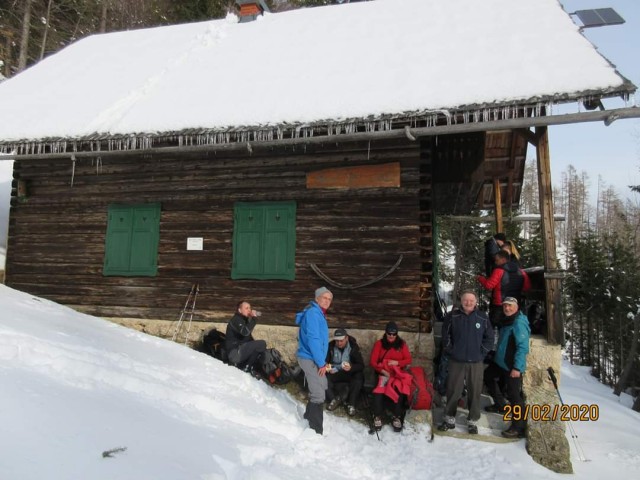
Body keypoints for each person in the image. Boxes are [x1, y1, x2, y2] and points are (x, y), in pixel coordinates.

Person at [438, 291, 493, 434]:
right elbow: (446, 336)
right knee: (453, 390)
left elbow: (490, 339)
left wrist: (481, 353)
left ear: (476, 302)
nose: (468, 303)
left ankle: (472, 421)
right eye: (465, 300)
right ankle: (449, 418)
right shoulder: (452, 316)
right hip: (457, 361)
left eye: (471, 300)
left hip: (476, 362)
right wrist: (451, 350)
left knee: (475, 391)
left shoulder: (482, 317)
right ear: (461, 301)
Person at [483, 296, 530, 438]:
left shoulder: (518, 323)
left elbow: (523, 347)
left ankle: (518, 427)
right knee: (488, 376)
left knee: (514, 396)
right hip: (501, 361)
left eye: (510, 306)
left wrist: (517, 368)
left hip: (512, 365)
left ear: (516, 307)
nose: (507, 308)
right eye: (505, 306)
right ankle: (500, 404)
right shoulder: (507, 320)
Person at [296, 286, 332, 435]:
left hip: (315, 358)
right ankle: (316, 430)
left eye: (329, 299)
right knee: (318, 393)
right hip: (309, 358)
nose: (327, 301)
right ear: (317, 298)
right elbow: (314, 340)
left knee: (323, 384)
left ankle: (308, 416)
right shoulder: (313, 314)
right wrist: (321, 362)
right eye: (324, 298)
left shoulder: (319, 314)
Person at [370, 321, 413, 432]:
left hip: (396, 374)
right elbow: (373, 362)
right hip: (383, 373)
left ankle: (396, 416)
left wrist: (397, 363)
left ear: (397, 334)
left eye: (394, 334)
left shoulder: (401, 344)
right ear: (386, 333)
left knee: (399, 390)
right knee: (379, 390)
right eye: (389, 333)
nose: (391, 336)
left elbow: (408, 359)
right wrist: (383, 371)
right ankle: (377, 415)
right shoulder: (379, 344)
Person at [477, 250, 531, 328]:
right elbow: (527, 287)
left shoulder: (499, 271)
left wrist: (480, 278)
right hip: (515, 304)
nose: (495, 262)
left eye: (497, 260)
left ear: (503, 260)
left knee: (496, 327)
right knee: (512, 326)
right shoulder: (521, 272)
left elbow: (489, 285)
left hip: (500, 305)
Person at [325, 328, 365, 416]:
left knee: (359, 376)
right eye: (337, 341)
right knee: (323, 377)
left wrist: (351, 367)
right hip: (335, 372)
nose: (339, 343)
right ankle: (334, 399)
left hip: (348, 372)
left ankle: (351, 404)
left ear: (346, 338)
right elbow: (324, 363)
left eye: (341, 341)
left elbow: (361, 365)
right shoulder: (330, 346)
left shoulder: (353, 347)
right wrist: (328, 368)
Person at [225, 300, 266, 379]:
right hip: (234, 354)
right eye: (246, 308)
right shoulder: (236, 319)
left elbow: (249, 339)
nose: (249, 310)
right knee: (262, 343)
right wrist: (254, 318)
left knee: (259, 347)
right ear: (240, 310)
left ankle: (248, 367)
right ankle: (246, 368)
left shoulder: (244, 321)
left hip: (240, 351)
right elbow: (245, 332)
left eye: (250, 308)